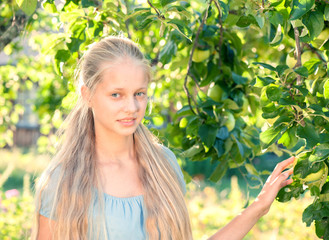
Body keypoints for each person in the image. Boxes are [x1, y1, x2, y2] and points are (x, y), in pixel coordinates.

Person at [32, 36, 294, 240]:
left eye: (139, 93)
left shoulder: (163, 165)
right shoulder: (63, 180)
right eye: (116, 95)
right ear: (88, 95)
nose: (132, 108)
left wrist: (259, 206)